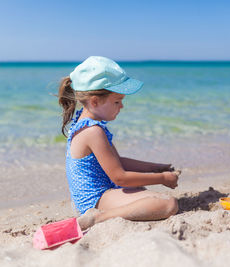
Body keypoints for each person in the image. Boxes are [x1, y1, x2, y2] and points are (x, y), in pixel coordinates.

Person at [58, 56, 180, 230]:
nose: (121, 106)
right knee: (168, 204)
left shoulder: (86, 124)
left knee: (143, 191)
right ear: (94, 101)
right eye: (117, 101)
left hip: (97, 195)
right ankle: (97, 219)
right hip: (95, 200)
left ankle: (101, 213)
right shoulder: (93, 132)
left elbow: (117, 161)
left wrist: (155, 168)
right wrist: (162, 178)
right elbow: (120, 177)